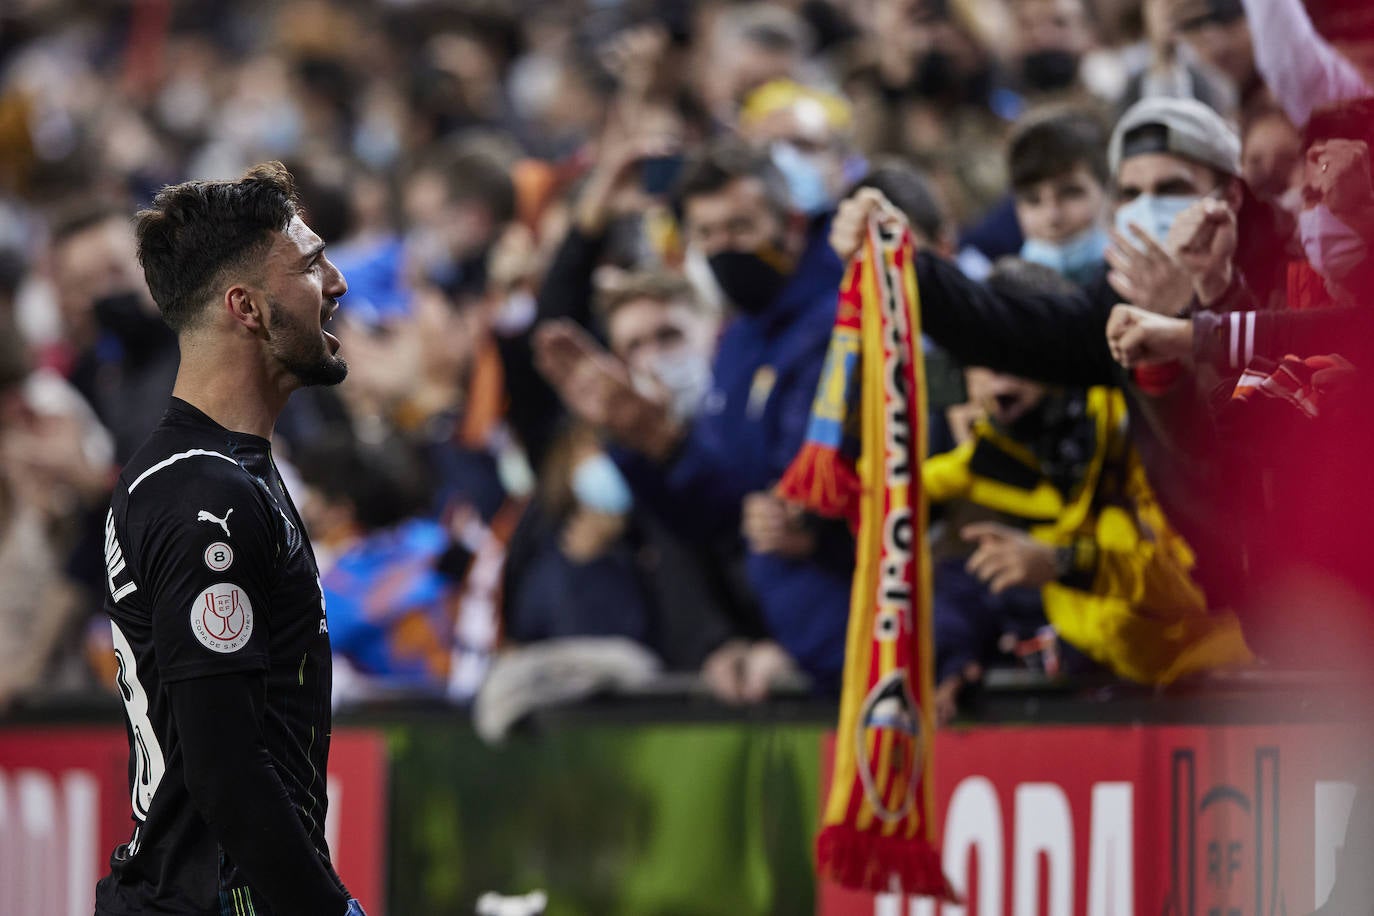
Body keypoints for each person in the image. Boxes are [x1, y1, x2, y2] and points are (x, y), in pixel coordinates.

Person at [828, 97, 1263, 613]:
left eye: (1171, 189)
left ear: (1230, 194)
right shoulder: (1110, 300)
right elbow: (1001, 330)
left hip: (1278, 585)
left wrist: (1196, 318)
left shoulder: (1283, 275)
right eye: (1132, 192)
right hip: (1192, 601)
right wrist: (900, 264)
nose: (1053, 217)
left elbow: (1258, 445)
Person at [96, 163, 367, 916]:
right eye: (311, 265)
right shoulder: (203, 494)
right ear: (245, 307)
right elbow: (225, 771)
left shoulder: (214, 471)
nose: (337, 282)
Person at [534, 139, 853, 692]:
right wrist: (652, 444)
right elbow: (726, 512)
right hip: (775, 649)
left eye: (741, 227)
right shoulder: (740, 344)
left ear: (793, 224)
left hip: (842, 641)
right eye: (707, 234)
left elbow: (801, 512)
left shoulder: (839, 323)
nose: (725, 247)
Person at [1008, 106, 1112, 286]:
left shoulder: (1148, 295)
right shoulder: (1004, 300)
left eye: (1070, 193)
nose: (1052, 217)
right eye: (1033, 200)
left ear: (1109, 192)